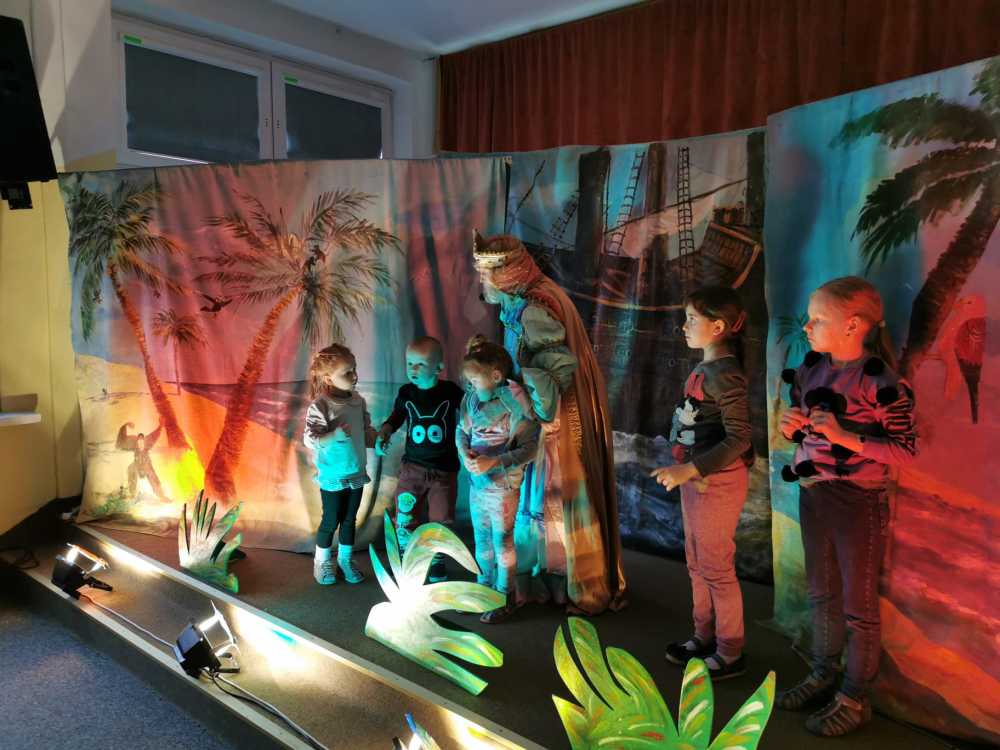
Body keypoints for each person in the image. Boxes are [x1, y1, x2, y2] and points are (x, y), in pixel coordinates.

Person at [777, 276, 918, 737]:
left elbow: (905, 450)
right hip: (814, 492)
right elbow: (802, 431)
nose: (807, 327)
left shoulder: (881, 381)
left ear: (853, 325)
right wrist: (792, 428)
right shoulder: (810, 368)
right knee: (821, 592)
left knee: (859, 607)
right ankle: (823, 674)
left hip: (859, 501)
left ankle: (855, 697)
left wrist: (844, 436)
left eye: (817, 319)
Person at [472, 231, 626, 614]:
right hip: (541, 409)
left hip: (553, 416)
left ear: (506, 272)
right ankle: (544, 580)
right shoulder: (529, 298)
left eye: (487, 272)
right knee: (538, 497)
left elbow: (550, 371)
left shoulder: (534, 308)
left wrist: (537, 414)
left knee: (555, 491)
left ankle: (572, 582)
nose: (482, 280)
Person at [652, 286, 754, 681]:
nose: (684, 326)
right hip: (696, 480)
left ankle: (730, 651)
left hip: (717, 483)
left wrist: (692, 469)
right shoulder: (706, 369)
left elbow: (740, 439)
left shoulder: (725, 374)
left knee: (715, 566)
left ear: (718, 327)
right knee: (697, 562)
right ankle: (703, 635)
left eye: (692, 319)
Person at [456, 336, 540, 623]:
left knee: (502, 542)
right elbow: (461, 430)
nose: (470, 386)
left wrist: (494, 461)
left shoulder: (516, 405)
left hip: (503, 489)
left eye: (474, 380)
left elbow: (530, 449)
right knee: (481, 541)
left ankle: (505, 596)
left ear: (495, 376)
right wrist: (464, 452)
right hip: (477, 486)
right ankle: (483, 590)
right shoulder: (471, 400)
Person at [376, 336, 465, 582]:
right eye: (409, 363)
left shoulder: (450, 391)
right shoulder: (406, 393)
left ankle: (437, 561)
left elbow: (471, 412)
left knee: (442, 519)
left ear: (438, 367)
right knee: (405, 516)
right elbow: (396, 417)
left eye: (420, 364)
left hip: (444, 471)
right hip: (412, 469)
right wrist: (385, 432)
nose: (413, 369)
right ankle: (407, 559)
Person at [303, 344, 377, 586]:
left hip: (356, 473)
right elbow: (310, 439)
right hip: (333, 477)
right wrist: (333, 436)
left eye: (354, 369)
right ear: (328, 378)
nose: (354, 376)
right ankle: (321, 562)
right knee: (331, 520)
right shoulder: (320, 406)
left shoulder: (358, 402)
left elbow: (365, 432)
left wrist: (377, 441)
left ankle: (345, 560)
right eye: (347, 372)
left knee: (349, 520)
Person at [116, 420, 168, 501]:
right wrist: (124, 426)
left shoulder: (148, 441)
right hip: (137, 464)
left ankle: (161, 495)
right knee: (130, 469)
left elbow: (155, 435)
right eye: (139, 442)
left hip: (146, 464)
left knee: (152, 475)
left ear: (144, 441)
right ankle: (132, 494)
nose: (140, 445)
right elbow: (122, 441)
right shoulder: (134, 443)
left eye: (142, 442)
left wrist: (161, 426)